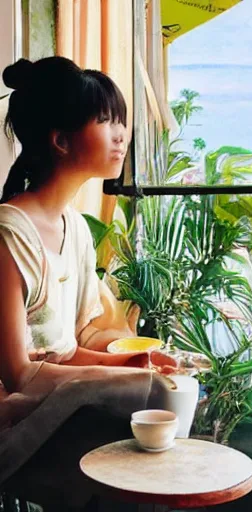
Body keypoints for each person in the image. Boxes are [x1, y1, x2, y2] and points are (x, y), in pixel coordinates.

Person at [0, 57, 177, 509]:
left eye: (120, 121)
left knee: (163, 392)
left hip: (59, 409)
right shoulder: (9, 233)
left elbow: (71, 345)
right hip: (14, 421)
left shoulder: (75, 227)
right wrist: (114, 378)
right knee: (145, 419)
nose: (121, 135)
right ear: (60, 140)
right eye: (105, 121)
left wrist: (142, 360)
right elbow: (18, 374)